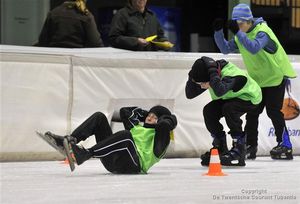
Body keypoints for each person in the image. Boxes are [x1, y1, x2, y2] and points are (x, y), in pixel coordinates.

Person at [213, 3, 297, 160]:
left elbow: (254, 47)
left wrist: (237, 32)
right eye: (236, 24)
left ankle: (286, 145)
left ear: (249, 21)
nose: (239, 27)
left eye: (241, 24)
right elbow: (225, 49)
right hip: (258, 80)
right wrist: (218, 32)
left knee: (274, 112)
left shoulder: (262, 32)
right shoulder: (241, 34)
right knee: (252, 112)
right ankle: (251, 146)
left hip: (274, 78)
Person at [44, 105, 177, 174]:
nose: (150, 117)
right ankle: (70, 141)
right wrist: (146, 113)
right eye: (150, 115)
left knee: (126, 136)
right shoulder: (137, 127)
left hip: (133, 166)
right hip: (113, 160)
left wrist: (168, 118)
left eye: (155, 117)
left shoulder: (159, 138)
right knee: (99, 117)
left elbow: (165, 125)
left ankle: (86, 154)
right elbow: (125, 111)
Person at [185, 56, 262, 166]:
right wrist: (192, 75)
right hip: (228, 98)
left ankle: (239, 148)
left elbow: (220, 90)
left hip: (250, 98)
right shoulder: (210, 76)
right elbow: (190, 94)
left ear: (211, 78)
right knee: (209, 111)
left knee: (229, 109)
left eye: (203, 82)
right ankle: (220, 146)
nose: (201, 86)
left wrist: (212, 73)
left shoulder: (231, 74)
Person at [36, 0, 103, 48]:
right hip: (78, 61)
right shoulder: (86, 16)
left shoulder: (53, 13)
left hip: (56, 60)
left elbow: (43, 41)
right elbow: (96, 43)